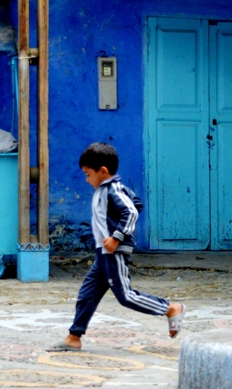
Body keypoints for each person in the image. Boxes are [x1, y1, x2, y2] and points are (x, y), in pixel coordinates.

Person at [49, 142, 185, 351]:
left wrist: (117, 236)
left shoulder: (111, 189)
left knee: (126, 296)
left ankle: (170, 308)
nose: (86, 180)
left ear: (102, 171)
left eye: (88, 174)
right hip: (103, 252)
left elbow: (130, 212)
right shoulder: (112, 188)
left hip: (113, 251)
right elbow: (136, 204)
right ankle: (73, 337)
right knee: (87, 294)